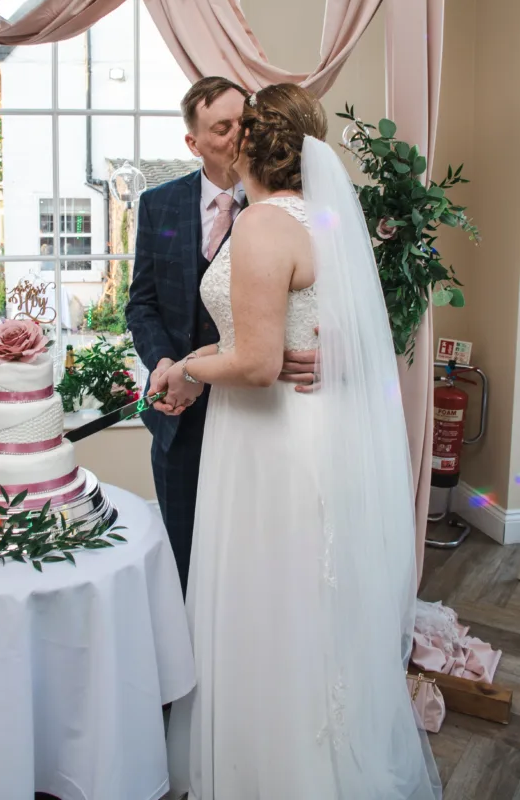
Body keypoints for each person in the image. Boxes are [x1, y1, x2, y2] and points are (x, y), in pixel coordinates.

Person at [161, 84, 442, 800]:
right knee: (303, 604)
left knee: (270, 602)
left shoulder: (260, 227)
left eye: (237, 128)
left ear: (251, 141)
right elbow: (311, 328)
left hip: (270, 440)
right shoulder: (319, 220)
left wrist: (187, 367)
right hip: (294, 431)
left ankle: (276, 773)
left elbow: (254, 363)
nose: (226, 139)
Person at [126, 76, 318, 595]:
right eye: (222, 127)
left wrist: (329, 352)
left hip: (265, 416)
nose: (239, 135)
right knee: (190, 562)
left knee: (262, 570)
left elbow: (327, 303)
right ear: (193, 142)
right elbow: (141, 304)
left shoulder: (293, 208)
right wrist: (168, 365)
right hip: (181, 420)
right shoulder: (159, 205)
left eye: (245, 122)